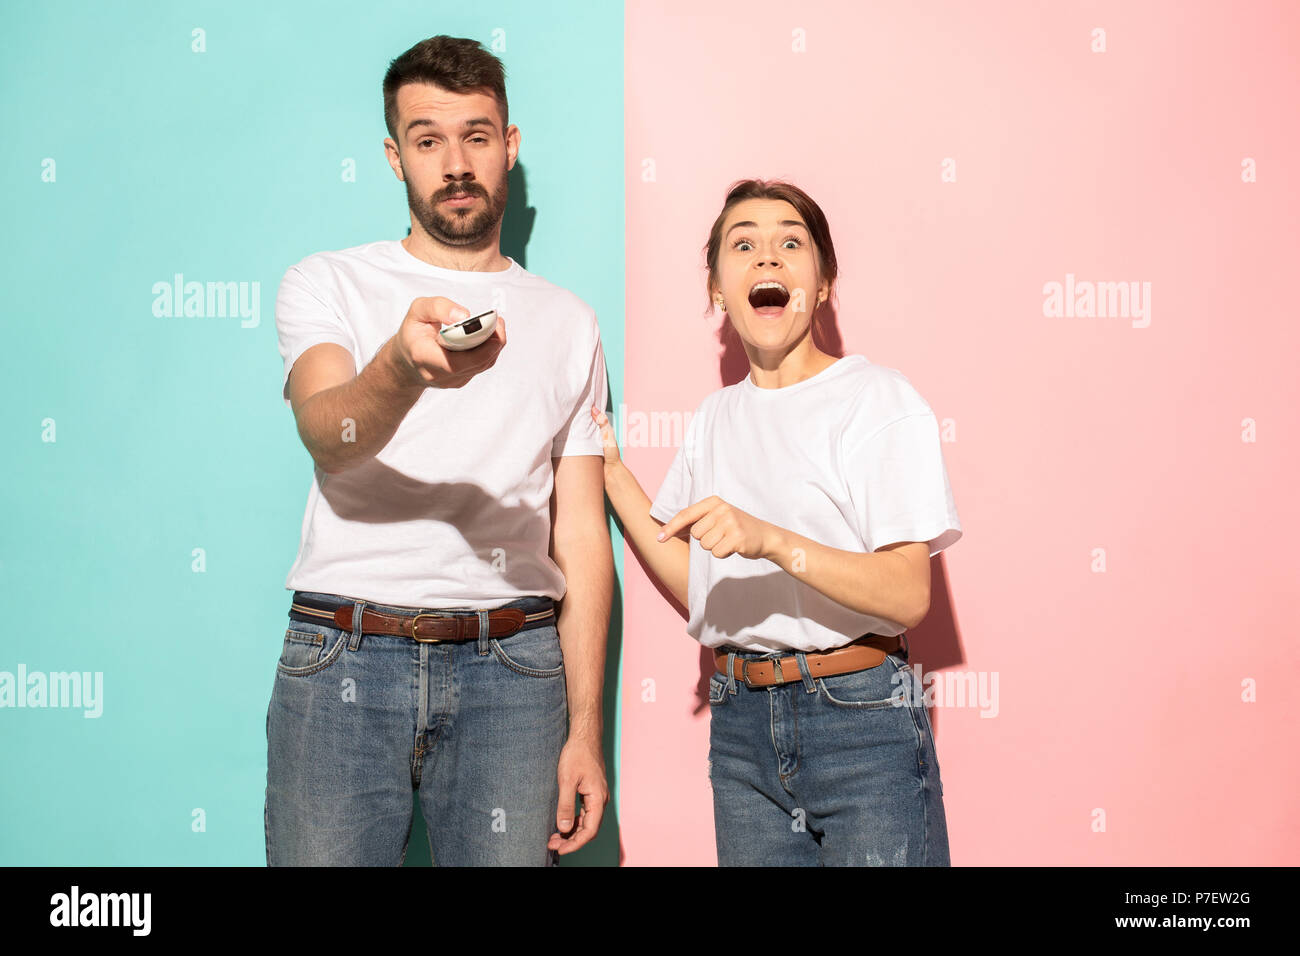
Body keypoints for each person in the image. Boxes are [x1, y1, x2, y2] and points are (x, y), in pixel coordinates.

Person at [266, 35, 612, 866]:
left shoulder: (570, 321)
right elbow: (325, 431)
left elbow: (583, 538)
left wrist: (588, 733)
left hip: (515, 671)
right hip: (343, 653)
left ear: (510, 145)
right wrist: (401, 367)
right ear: (395, 157)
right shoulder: (327, 283)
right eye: (428, 140)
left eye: (477, 136)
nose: (456, 163)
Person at [592, 178, 961, 866]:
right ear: (716, 288)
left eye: (791, 243)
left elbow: (907, 595)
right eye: (744, 245)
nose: (767, 259)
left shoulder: (877, 399)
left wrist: (771, 540)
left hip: (861, 717)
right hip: (740, 726)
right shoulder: (714, 419)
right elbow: (700, 583)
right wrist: (612, 473)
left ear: (822, 284)